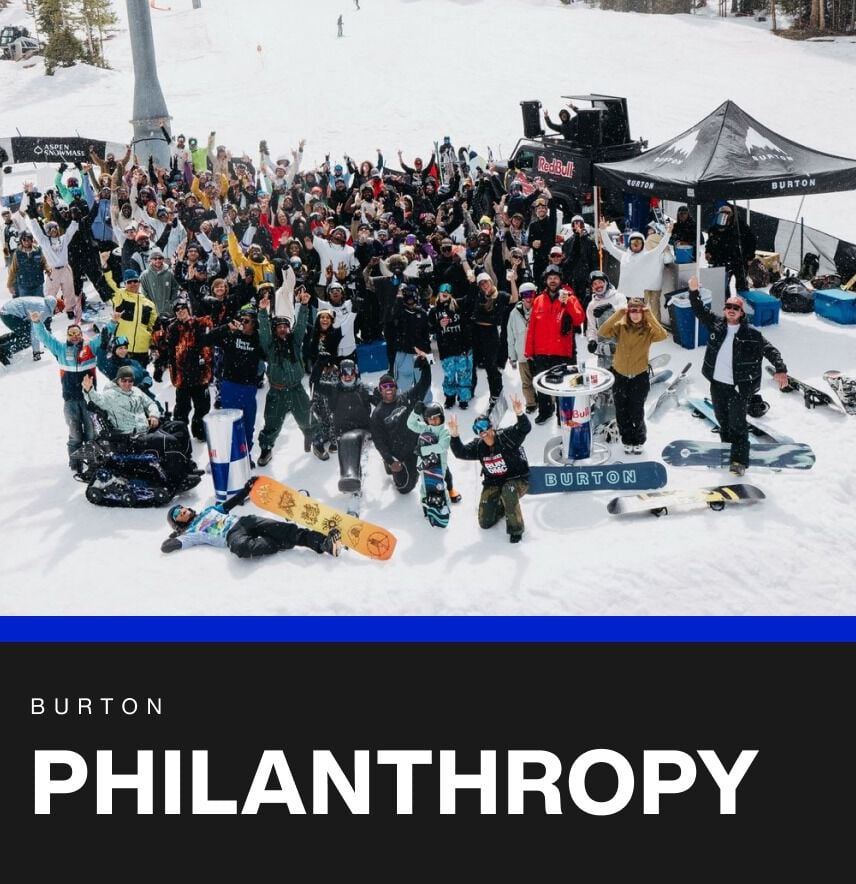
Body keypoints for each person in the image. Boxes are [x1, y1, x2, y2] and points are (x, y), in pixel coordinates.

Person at [688, 277, 788, 476]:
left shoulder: (751, 334)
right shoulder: (717, 325)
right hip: (717, 385)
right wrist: (693, 292)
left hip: (738, 388)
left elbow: (770, 350)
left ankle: (739, 461)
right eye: (728, 307)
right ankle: (727, 452)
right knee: (723, 422)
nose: (731, 310)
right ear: (724, 310)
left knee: (738, 425)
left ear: (742, 313)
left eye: (736, 308)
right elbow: (699, 310)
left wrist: (780, 369)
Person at [161, 479, 342, 558]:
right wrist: (176, 536)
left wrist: (247, 488)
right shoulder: (191, 533)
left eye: (181, 508)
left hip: (243, 521)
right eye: (177, 514)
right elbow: (166, 547)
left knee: (283, 529)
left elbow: (232, 503)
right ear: (177, 522)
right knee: (240, 548)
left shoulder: (209, 511)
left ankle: (324, 543)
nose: (182, 511)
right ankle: (279, 542)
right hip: (231, 536)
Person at [29, 312, 109, 469]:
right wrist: (37, 322)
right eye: (71, 334)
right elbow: (45, 338)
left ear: (81, 335)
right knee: (75, 435)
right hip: (70, 401)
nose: (74, 337)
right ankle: (75, 464)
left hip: (89, 401)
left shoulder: (90, 347)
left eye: (77, 334)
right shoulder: (60, 349)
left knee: (92, 434)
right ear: (67, 336)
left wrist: (113, 322)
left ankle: (93, 464)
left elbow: (104, 337)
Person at [448, 395, 531, 543]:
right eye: (477, 429)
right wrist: (454, 435)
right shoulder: (479, 447)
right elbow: (460, 453)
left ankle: (516, 530)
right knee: (485, 522)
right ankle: (505, 505)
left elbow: (525, 428)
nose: (482, 431)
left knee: (509, 490)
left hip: (517, 479)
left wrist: (519, 413)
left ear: (491, 426)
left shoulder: (506, 437)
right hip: (494, 482)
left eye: (484, 426)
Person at [596, 297, 668, 454]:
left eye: (638, 311)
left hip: (639, 376)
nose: (635, 314)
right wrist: (618, 314)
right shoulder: (621, 327)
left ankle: (639, 439)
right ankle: (627, 439)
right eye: (632, 311)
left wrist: (649, 315)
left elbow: (663, 335)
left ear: (643, 312)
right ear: (628, 312)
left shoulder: (648, 330)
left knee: (636, 410)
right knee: (621, 410)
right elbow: (602, 331)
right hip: (620, 375)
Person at [256, 290, 312, 466]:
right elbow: (264, 331)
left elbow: (301, 326)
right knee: (271, 422)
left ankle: (314, 439)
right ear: (275, 330)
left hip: (296, 389)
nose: (282, 329)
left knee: (307, 417)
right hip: (277, 391)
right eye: (279, 327)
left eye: (285, 326)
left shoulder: (295, 342)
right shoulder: (270, 346)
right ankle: (266, 448)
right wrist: (262, 312)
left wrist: (304, 306)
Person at [523, 264, 585, 424]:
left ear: (560, 280)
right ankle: (545, 411)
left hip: (563, 352)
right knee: (542, 384)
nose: (552, 281)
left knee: (564, 386)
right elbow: (531, 328)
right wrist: (529, 351)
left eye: (555, 278)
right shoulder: (538, 300)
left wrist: (568, 302)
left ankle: (563, 414)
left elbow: (579, 319)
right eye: (550, 278)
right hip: (542, 352)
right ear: (545, 280)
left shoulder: (570, 297)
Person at [207, 305, 266, 465]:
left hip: (249, 389)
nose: (242, 323)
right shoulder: (231, 336)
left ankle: (245, 455)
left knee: (248, 425)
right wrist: (226, 328)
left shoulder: (258, 340)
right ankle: (230, 456)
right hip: (230, 386)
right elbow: (207, 338)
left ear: (254, 324)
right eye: (241, 320)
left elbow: (269, 353)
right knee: (230, 425)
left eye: (247, 321)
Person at [150, 298, 213, 440]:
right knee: (182, 409)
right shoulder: (172, 328)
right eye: (177, 309)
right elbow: (166, 349)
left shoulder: (200, 323)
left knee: (203, 407)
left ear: (188, 309)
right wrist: (159, 366)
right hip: (181, 377)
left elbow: (212, 331)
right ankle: (180, 435)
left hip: (200, 375)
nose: (181, 311)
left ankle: (200, 432)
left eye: (183, 308)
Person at [370, 356, 431, 494]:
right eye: (384, 386)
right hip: (398, 455)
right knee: (404, 488)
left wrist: (425, 366)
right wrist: (390, 460)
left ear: (396, 387)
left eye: (391, 385)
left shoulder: (407, 398)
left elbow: (424, 384)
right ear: (380, 390)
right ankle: (388, 466)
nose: (388, 389)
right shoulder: (377, 414)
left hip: (414, 449)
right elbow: (378, 441)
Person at [597, 219, 674, 305]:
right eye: (633, 242)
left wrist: (668, 232)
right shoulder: (624, 256)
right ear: (630, 244)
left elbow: (661, 246)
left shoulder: (648, 256)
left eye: (638, 242)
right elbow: (610, 247)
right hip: (624, 297)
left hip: (640, 298)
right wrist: (603, 231)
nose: (636, 245)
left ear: (643, 244)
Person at [429, 282, 473, 410]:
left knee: (463, 374)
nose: (445, 293)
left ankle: (463, 399)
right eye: (443, 291)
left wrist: (472, 280)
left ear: (451, 294)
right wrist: (439, 325)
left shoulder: (458, 305)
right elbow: (429, 329)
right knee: (449, 375)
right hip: (446, 349)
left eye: (448, 291)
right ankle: (449, 397)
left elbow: (471, 297)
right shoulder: (434, 311)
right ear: (439, 293)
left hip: (461, 348)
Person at [81, 366, 161, 434]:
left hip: (145, 430)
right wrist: (89, 390)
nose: (127, 383)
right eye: (124, 380)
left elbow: (150, 403)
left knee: (167, 432)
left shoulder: (137, 391)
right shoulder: (110, 395)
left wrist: (154, 415)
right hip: (127, 435)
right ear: (118, 380)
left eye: (130, 381)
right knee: (164, 441)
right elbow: (96, 400)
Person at [705, 204, 756, 294]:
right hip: (721, 261)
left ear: (732, 214)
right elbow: (710, 242)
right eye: (722, 213)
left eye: (727, 213)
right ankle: (725, 300)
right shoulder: (714, 228)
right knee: (721, 287)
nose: (725, 215)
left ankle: (742, 300)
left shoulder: (740, 226)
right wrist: (708, 252)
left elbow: (752, 240)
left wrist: (750, 256)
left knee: (742, 286)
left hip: (739, 260)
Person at [506, 281, 538, 413]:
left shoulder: (540, 309)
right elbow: (510, 336)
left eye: (531, 294)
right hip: (522, 354)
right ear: (521, 296)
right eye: (525, 295)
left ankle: (547, 403)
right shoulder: (514, 314)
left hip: (538, 353)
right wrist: (512, 357)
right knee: (526, 381)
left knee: (541, 379)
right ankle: (531, 403)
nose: (528, 298)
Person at [585, 270, 627, 370]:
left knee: (622, 372)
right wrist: (592, 340)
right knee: (606, 373)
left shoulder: (618, 297)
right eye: (595, 284)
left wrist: (610, 307)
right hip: (604, 345)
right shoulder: (592, 305)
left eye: (600, 282)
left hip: (621, 341)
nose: (598, 286)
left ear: (606, 282)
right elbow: (591, 327)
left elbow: (625, 311)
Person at [0, 294, 61, 361]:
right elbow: (35, 331)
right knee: (27, 339)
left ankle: (2, 342)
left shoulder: (45, 303)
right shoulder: (44, 310)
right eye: (59, 310)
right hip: (9, 314)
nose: (58, 313)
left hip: (7, 310)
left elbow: (43, 327)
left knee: (24, 332)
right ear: (56, 307)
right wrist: (36, 352)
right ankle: (3, 351)